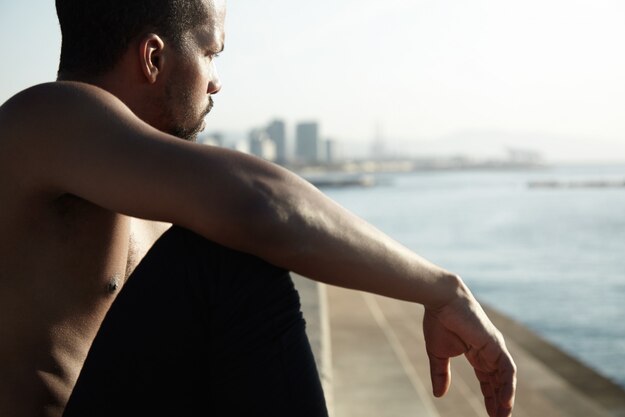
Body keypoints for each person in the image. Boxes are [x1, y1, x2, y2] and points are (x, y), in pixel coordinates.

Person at [0, 0, 516, 416]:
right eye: (211, 52)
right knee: (229, 258)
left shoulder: (144, 178)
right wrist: (440, 289)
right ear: (153, 58)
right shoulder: (46, 117)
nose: (217, 80)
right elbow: (261, 203)